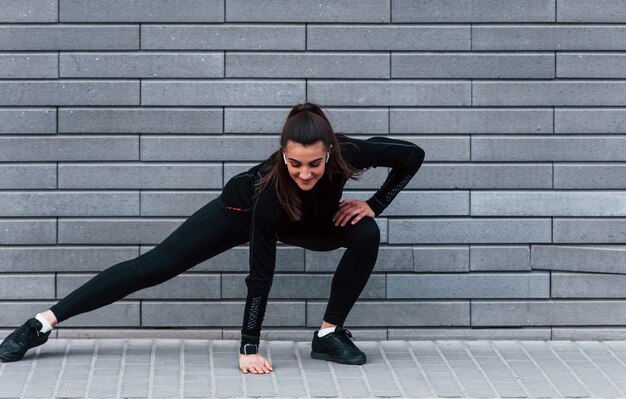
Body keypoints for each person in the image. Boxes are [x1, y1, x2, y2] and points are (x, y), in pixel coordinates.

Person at [0, 102, 425, 374]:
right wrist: (249, 347)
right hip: (240, 214)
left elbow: (410, 155)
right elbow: (261, 274)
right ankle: (41, 324)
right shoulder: (270, 194)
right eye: (295, 163)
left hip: (306, 220)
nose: (306, 172)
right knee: (157, 266)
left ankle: (329, 335)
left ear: (330, 151)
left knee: (365, 232)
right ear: (282, 153)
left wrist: (375, 203)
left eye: (314, 163)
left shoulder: (349, 152)